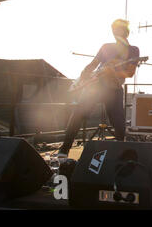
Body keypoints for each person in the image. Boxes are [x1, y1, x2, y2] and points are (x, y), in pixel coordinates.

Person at [57, 19, 140, 158]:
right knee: (77, 114)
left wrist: (112, 72)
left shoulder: (133, 50)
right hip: (95, 87)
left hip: (114, 89)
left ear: (126, 32)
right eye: (114, 30)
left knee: (118, 123)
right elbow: (93, 64)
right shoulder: (106, 47)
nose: (115, 33)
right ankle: (64, 149)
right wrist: (84, 75)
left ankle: (122, 153)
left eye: (119, 30)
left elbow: (130, 73)